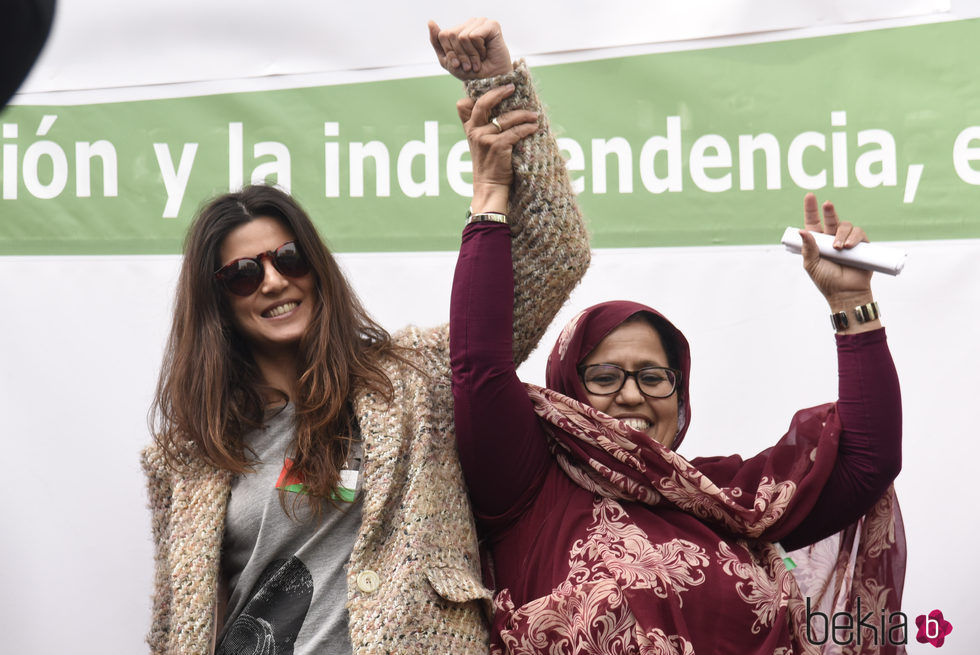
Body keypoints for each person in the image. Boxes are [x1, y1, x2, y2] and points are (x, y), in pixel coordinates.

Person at [140, 18, 590, 655]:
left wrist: (496, 88)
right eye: (244, 273)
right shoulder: (187, 455)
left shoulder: (412, 379)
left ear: (315, 270)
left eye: (288, 257)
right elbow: (177, 629)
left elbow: (555, 254)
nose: (271, 281)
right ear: (218, 303)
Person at [451, 133, 906, 651]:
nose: (631, 396)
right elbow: (479, 366)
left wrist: (852, 303)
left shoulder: (726, 501)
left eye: (653, 377)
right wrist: (489, 195)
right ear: (568, 388)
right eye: (604, 377)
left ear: (680, 395)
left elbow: (868, 459)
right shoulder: (529, 488)